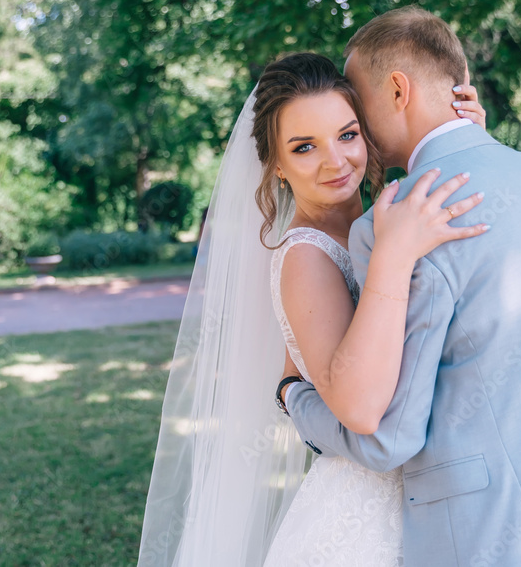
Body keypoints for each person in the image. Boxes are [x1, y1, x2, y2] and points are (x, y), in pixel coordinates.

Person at [281, 6, 521, 566]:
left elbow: (386, 435)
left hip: (494, 534)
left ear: (398, 90)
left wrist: (293, 397)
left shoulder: (398, 222)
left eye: (357, 103)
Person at [137, 50, 487, 565]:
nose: (335, 161)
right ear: (277, 164)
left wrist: (460, 137)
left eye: (347, 135)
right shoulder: (305, 256)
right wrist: (394, 255)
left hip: (431, 489)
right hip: (367, 513)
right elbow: (362, 409)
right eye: (304, 147)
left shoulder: (385, 215)